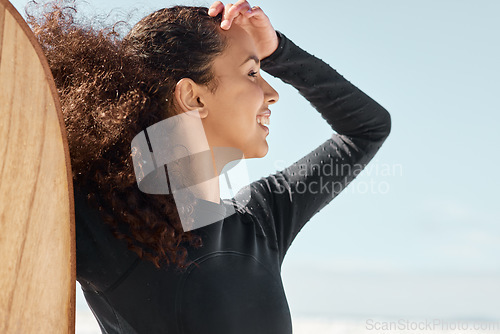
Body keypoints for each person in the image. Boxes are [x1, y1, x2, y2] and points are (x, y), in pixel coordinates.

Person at [28, 0, 391, 333]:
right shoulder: (108, 224)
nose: (272, 92)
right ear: (193, 96)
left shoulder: (262, 221)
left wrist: (278, 51)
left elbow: (367, 129)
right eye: (252, 73)